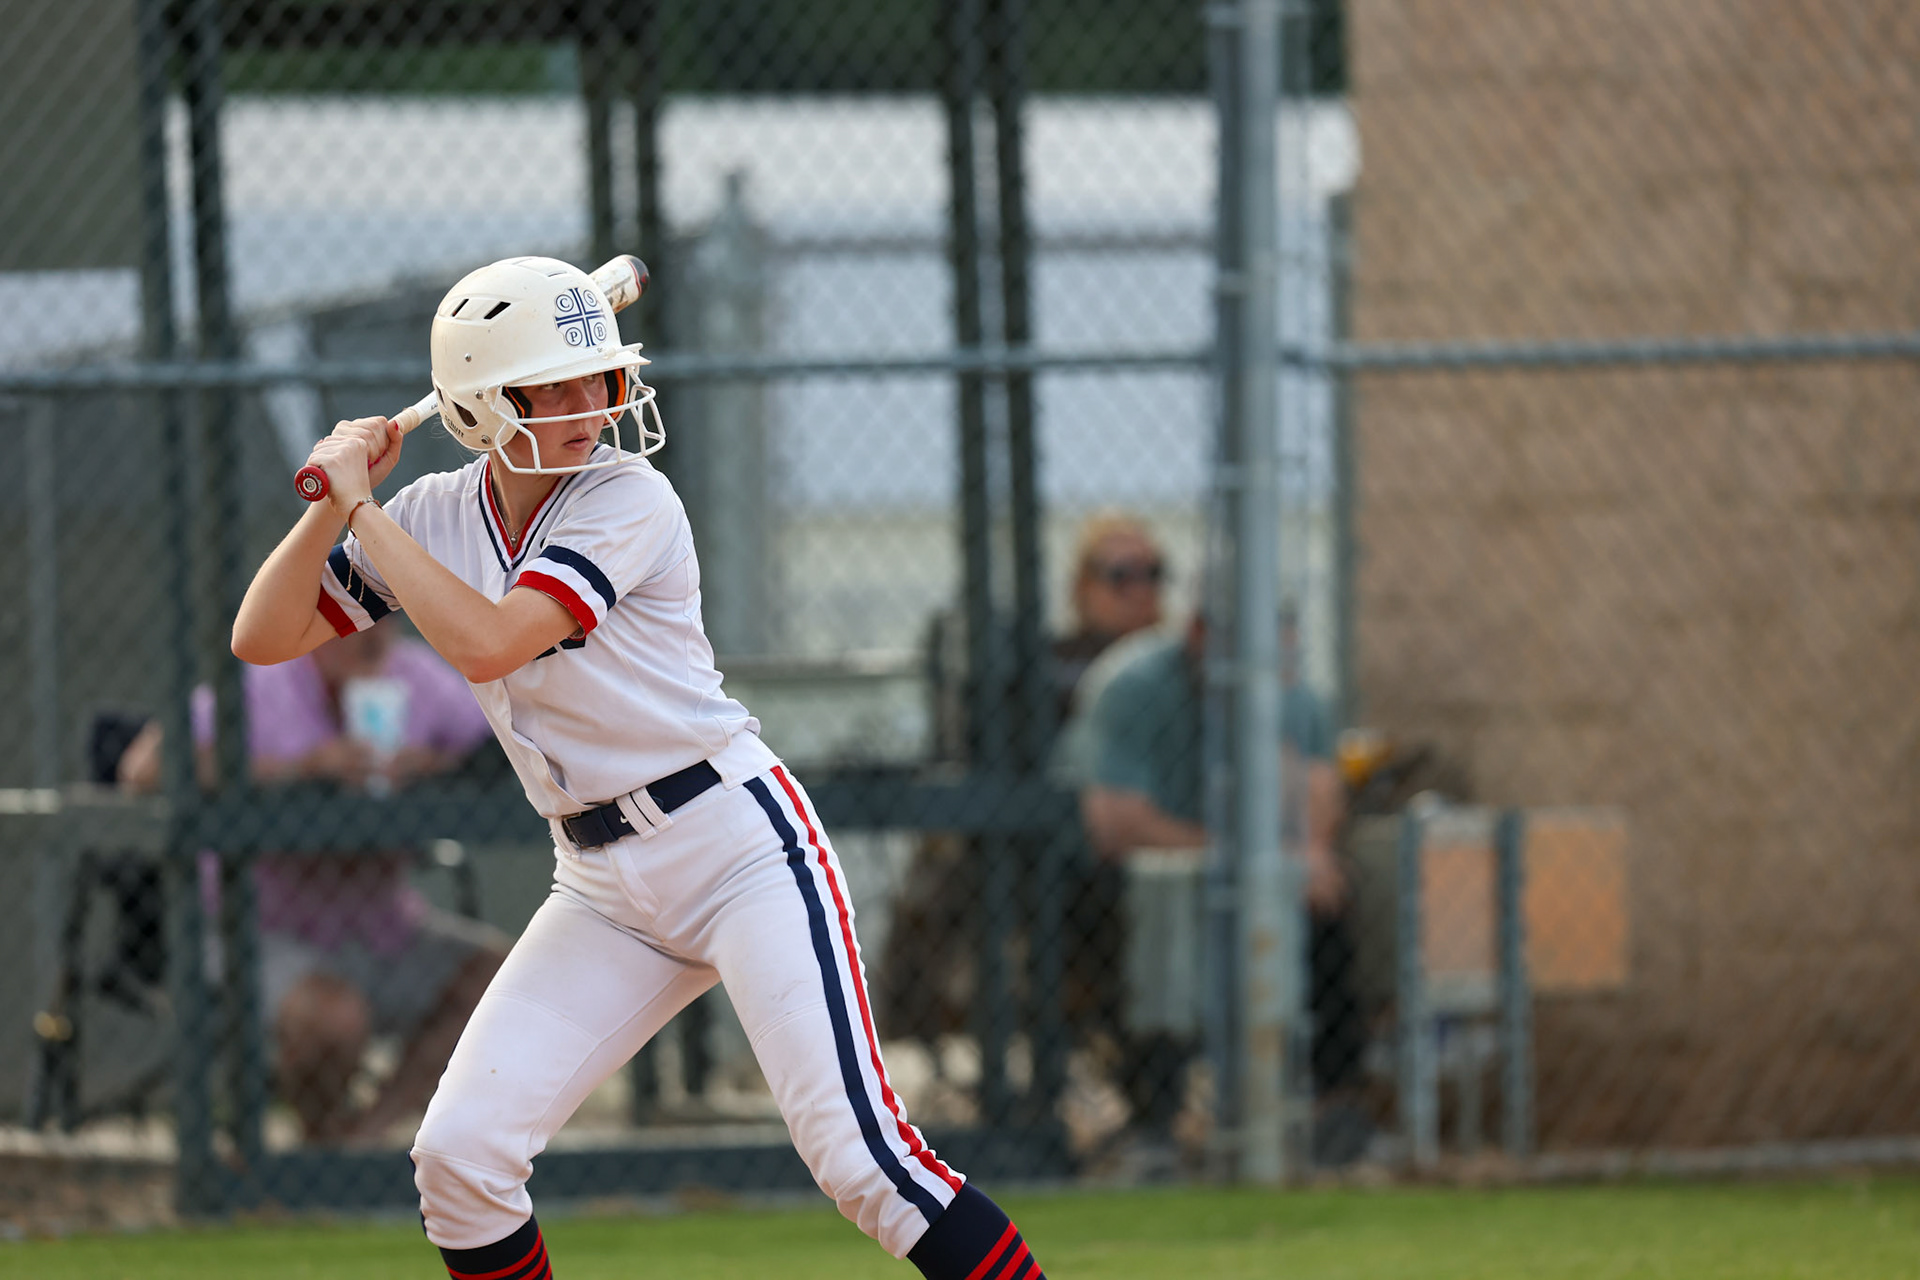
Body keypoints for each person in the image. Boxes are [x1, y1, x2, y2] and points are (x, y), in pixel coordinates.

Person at [230, 255, 1047, 1280]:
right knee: (460, 1157)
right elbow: (261, 635)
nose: (590, 406)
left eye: (599, 379)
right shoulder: (435, 511)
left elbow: (490, 641)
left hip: (738, 845)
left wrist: (365, 511)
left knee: (862, 1160)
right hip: (603, 880)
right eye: (556, 385)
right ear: (482, 405)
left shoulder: (628, 496)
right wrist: (331, 505)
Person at [117, 623, 508, 1145]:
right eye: (351, 615)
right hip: (262, 928)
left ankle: (363, 1141)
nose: (370, 634)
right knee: (334, 1017)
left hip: (382, 925)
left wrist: (430, 767)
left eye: (380, 615)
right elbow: (144, 769)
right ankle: (320, 1147)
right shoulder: (260, 679)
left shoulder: (413, 676)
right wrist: (301, 769)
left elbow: (498, 747)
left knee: (505, 985)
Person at [1077, 605, 1362, 1159]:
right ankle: (1156, 1122)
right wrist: (1239, 857)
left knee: (1324, 894)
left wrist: (1304, 851)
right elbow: (1115, 823)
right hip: (1140, 869)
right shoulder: (1136, 685)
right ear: (1198, 633)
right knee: (1156, 905)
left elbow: (1322, 795)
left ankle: (1332, 1107)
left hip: (1246, 864)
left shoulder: (1293, 697)